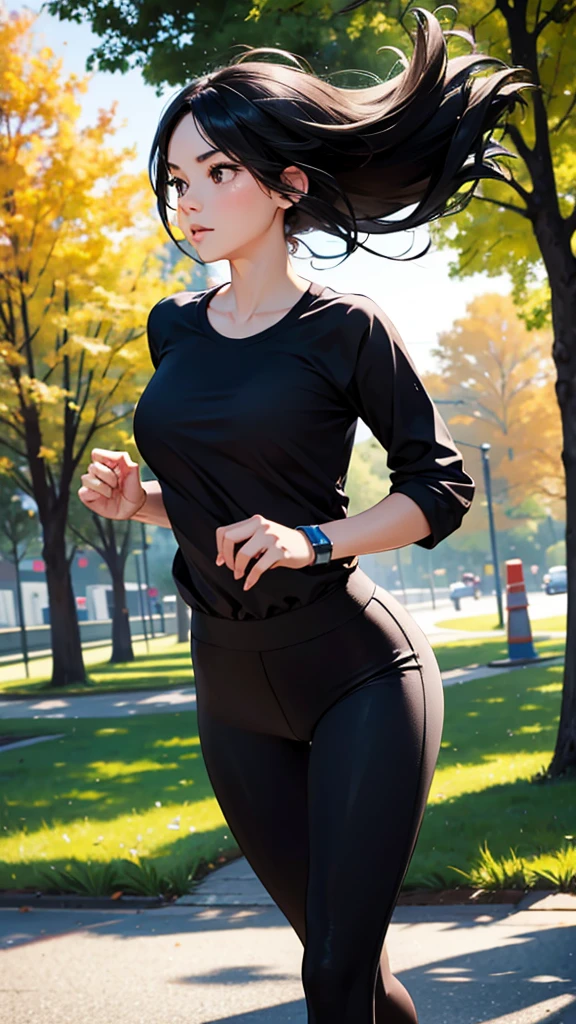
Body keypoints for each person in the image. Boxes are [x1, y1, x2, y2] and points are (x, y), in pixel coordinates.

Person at [78, 8, 533, 1021]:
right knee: (353, 974)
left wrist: (314, 539)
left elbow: (440, 486)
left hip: (359, 674)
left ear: (288, 185)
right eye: (177, 180)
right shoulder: (173, 330)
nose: (188, 201)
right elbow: (211, 505)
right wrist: (140, 500)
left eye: (217, 174)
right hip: (231, 689)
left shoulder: (346, 330)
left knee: (328, 976)